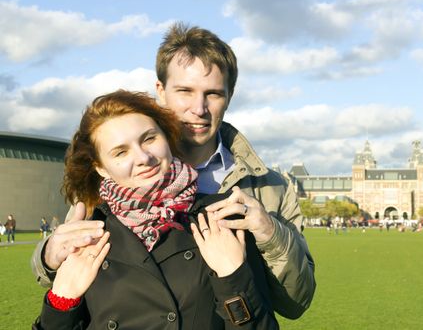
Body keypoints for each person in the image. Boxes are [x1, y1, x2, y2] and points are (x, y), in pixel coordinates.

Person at [31, 23, 315, 319]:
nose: (199, 108)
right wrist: (48, 257)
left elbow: (295, 303)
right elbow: (74, 273)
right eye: (185, 91)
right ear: (160, 91)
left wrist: (270, 232)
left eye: (213, 94)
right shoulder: (119, 173)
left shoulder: (268, 186)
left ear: (229, 96)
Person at [33, 90, 277, 329]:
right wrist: (62, 301)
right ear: (102, 169)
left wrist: (233, 278)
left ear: (167, 138)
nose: (143, 157)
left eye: (149, 138)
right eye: (120, 152)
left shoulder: (220, 216)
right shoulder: (89, 236)